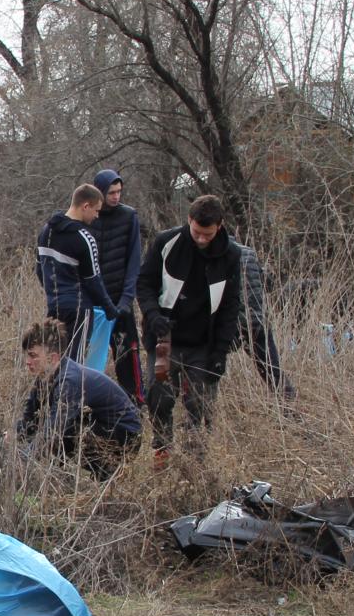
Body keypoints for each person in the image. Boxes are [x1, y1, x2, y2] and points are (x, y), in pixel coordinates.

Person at [136, 193, 243, 456]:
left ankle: (196, 461)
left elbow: (230, 308)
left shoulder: (231, 255)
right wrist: (153, 315)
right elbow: (144, 284)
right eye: (197, 232)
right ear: (189, 220)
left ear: (219, 226)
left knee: (200, 405)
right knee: (159, 397)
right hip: (165, 339)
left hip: (203, 344)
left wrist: (220, 353)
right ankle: (162, 450)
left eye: (208, 234)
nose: (202, 239)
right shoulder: (166, 242)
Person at [17, 318, 141, 478]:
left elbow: (54, 430)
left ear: (53, 357)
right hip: (101, 426)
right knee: (51, 426)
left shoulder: (69, 381)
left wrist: (24, 458)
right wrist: (10, 438)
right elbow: (29, 421)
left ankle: (110, 475)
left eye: (33, 356)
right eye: (27, 355)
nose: (27, 362)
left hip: (125, 436)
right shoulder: (44, 378)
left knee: (65, 431)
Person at [37, 184, 120, 363]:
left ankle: (52, 391)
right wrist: (110, 309)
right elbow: (94, 280)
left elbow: (40, 270)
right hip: (79, 308)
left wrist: (53, 292)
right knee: (74, 363)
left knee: (53, 360)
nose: (97, 216)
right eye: (96, 210)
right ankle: (70, 392)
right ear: (85, 206)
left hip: (54, 305)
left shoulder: (46, 231)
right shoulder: (84, 237)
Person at [89, 170, 144, 397]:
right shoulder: (89, 215)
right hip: (93, 301)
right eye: (111, 192)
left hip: (120, 298)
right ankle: (89, 399)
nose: (116, 197)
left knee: (127, 353)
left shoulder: (129, 216)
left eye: (119, 191)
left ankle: (135, 401)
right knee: (90, 355)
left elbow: (134, 261)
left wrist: (126, 300)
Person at [229, 237, 294, 400]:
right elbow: (267, 283)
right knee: (270, 367)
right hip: (257, 319)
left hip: (234, 321)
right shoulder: (248, 252)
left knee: (199, 362)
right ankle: (286, 402)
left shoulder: (215, 255)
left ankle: (197, 414)